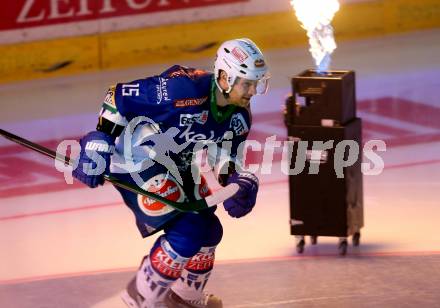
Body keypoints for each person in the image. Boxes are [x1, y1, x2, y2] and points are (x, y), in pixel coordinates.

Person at [72, 38, 269, 308]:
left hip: (175, 163)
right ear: (224, 77)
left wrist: (236, 179)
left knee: (209, 230)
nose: (253, 91)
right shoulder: (180, 89)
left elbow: (225, 155)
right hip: (137, 161)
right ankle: (138, 300)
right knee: (187, 232)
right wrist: (100, 137)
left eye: (256, 83)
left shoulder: (239, 115)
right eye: (247, 83)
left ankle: (183, 299)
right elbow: (118, 95)